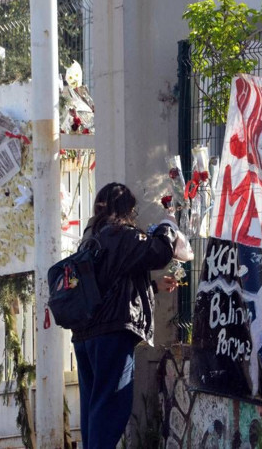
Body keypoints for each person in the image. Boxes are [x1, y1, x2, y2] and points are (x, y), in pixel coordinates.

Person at [72, 182, 180, 449]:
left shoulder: (90, 239)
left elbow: (111, 288)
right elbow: (160, 252)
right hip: (110, 336)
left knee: (94, 409)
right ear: (126, 209)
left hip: (85, 337)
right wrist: (169, 224)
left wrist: (153, 288)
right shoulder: (121, 234)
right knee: (111, 409)